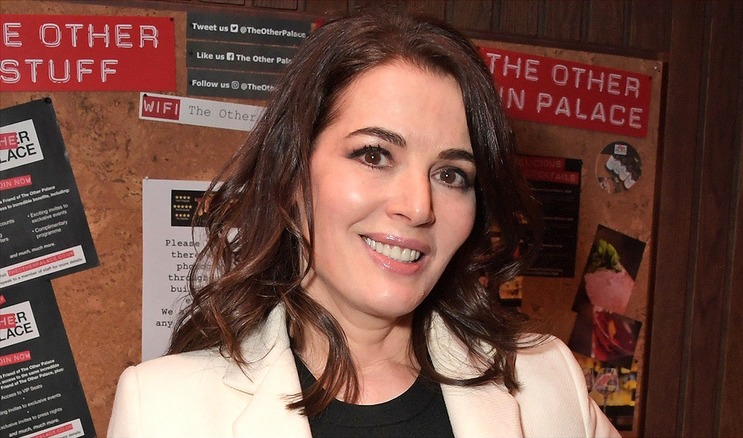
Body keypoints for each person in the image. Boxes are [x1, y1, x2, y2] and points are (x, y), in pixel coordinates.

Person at [108, 9, 620, 438]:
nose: (418, 207)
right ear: (292, 174)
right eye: (374, 155)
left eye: (450, 174)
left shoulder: (547, 382)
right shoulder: (163, 410)